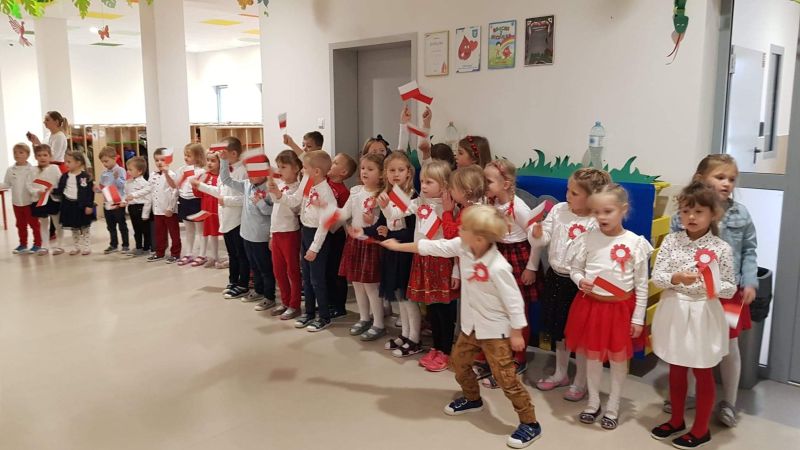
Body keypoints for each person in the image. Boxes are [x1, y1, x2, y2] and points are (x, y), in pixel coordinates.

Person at [381, 205, 543, 449]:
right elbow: (432, 247)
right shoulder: (463, 246)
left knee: (506, 378)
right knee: (458, 363)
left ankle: (530, 422)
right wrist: (397, 246)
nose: (459, 229)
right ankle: (472, 398)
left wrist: (517, 331)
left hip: (494, 331)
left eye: (465, 227)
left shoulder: (499, 267)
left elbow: (514, 301)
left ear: (480, 238)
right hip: (470, 326)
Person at [663, 154, 759, 429]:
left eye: (732, 179)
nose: (727, 183)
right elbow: (673, 250)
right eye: (720, 177)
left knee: (729, 346)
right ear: (700, 179)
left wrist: (749, 282)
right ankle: (689, 395)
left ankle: (729, 402)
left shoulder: (741, 214)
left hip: (729, 294)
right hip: (691, 295)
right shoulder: (681, 216)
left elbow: (750, 250)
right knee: (690, 343)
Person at [650, 181, 736, 450]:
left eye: (698, 211)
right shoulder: (671, 241)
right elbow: (658, 276)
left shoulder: (721, 248)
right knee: (676, 367)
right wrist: (677, 277)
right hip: (675, 309)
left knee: (702, 369)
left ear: (713, 214)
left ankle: (701, 429)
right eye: (686, 211)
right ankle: (676, 420)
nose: (691, 217)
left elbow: (730, 287)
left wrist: (711, 283)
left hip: (703, 313)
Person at [564, 184, 652, 430]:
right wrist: (580, 280)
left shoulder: (635, 243)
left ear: (623, 210)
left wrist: (638, 318)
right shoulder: (588, 238)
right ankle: (593, 402)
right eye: (596, 212)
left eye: (608, 211)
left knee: (617, 360)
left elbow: (641, 286)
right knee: (592, 358)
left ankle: (613, 405)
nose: (601, 217)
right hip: (591, 307)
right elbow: (575, 268)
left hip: (620, 310)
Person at [531, 168, 611, 401]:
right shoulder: (559, 210)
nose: (568, 195)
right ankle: (561, 373)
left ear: (592, 197)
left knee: (580, 335)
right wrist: (537, 233)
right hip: (555, 278)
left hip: (580, 285)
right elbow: (544, 236)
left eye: (574, 193)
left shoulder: (597, 221)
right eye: (568, 190)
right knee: (559, 332)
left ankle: (580, 381)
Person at [385, 160, 454, 358]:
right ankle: (435, 347)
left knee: (443, 307)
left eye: (429, 182)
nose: (423, 186)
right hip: (422, 258)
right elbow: (396, 213)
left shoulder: (449, 206)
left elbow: (451, 235)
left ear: (444, 184)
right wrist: (385, 206)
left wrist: (447, 212)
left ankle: (445, 349)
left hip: (441, 261)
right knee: (431, 305)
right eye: (422, 181)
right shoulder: (419, 202)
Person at [479, 159, 538, 378]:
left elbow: (537, 239)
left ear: (505, 184)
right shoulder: (491, 202)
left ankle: (519, 357)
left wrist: (531, 267)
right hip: (498, 255)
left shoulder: (519, 207)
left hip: (518, 258)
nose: (484, 185)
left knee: (517, 310)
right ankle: (497, 352)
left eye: (488, 181)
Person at [270, 150, 337, 331]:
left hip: (318, 238)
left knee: (317, 279)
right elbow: (294, 201)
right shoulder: (307, 183)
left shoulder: (327, 194)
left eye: (305, 168)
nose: (302, 171)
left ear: (316, 171)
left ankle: (324, 316)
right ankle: (308, 312)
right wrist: (279, 195)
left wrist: (315, 248)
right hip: (305, 232)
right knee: (306, 277)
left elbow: (324, 225)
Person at [370, 151, 417, 346]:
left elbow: (414, 230)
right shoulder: (387, 195)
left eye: (400, 170)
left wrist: (390, 233)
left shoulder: (413, 197)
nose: (396, 174)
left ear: (408, 172)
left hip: (406, 251)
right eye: (391, 170)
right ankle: (404, 333)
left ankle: (414, 337)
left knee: (407, 297)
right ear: (385, 173)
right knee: (399, 295)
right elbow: (384, 223)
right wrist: (376, 229)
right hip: (392, 251)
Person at [220, 150, 277, 311]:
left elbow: (271, 212)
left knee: (265, 268)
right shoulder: (247, 184)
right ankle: (258, 291)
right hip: (246, 234)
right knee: (254, 266)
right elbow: (226, 180)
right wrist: (224, 161)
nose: (250, 175)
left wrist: (260, 203)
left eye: (254, 173)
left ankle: (269, 297)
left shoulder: (270, 189)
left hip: (260, 236)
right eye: (249, 172)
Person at [336, 154, 385, 339]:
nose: (364, 172)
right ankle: (364, 318)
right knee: (357, 283)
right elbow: (345, 213)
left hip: (371, 243)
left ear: (381, 174)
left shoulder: (382, 195)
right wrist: (325, 208)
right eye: (363, 168)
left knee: (371, 285)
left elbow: (384, 220)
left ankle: (378, 323)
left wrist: (372, 221)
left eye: (370, 169)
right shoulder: (356, 191)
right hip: (355, 242)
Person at [126, 147, 180, 263]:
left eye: (162, 160)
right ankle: (159, 252)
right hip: (157, 210)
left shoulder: (171, 174)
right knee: (159, 233)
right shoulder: (152, 175)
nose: (159, 162)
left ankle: (175, 254)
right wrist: (134, 195)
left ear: (168, 160)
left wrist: (170, 208)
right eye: (157, 160)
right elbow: (148, 189)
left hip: (169, 210)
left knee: (174, 233)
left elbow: (175, 191)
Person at [267, 150, 303, 319]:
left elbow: (295, 208)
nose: (280, 170)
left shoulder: (299, 189)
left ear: (295, 168)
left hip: (290, 233)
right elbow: (275, 206)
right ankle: (285, 301)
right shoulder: (280, 185)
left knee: (292, 271)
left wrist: (279, 194)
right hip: (277, 233)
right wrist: (271, 235)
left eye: (283, 167)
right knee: (278, 271)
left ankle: (295, 305)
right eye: (278, 166)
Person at [326, 153, 357, 318]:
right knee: (325, 270)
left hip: (335, 235)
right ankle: (328, 302)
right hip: (322, 232)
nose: (331, 164)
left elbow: (342, 216)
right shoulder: (325, 181)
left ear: (343, 172)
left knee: (336, 271)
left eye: (335, 162)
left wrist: (330, 226)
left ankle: (339, 305)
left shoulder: (344, 192)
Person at [165, 143, 206, 266]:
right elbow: (175, 186)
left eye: (189, 155)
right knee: (189, 230)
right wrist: (166, 173)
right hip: (184, 201)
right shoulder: (182, 169)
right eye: (185, 155)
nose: (186, 158)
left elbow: (202, 188)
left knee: (200, 230)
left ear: (198, 156)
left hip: (196, 201)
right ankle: (189, 253)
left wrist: (194, 181)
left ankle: (202, 254)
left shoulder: (202, 171)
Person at [54, 151, 96, 255]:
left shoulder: (85, 177)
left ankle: (87, 247)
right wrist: (51, 190)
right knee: (74, 228)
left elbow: (90, 193)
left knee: (85, 227)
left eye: (69, 162)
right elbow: (60, 190)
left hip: (81, 206)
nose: (66, 164)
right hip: (69, 205)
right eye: (65, 161)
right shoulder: (64, 176)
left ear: (78, 163)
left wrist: (89, 205)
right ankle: (76, 247)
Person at [1, 143, 39, 254]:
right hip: (16, 203)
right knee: (20, 225)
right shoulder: (10, 170)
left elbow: (35, 185)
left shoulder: (32, 170)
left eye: (21, 152)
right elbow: (7, 184)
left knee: (34, 224)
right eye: (15, 153)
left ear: (27, 155)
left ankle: (37, 244)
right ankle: (23, 245)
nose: (17, 154)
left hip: (30, 202)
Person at [189, 150, 223, 268]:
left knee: (224, 233)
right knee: (212, 233)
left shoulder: (222, 177)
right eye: (208, 160)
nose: (209, 163)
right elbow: (198, 194)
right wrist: (195, 185)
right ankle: (214, 257)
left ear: (220, 162)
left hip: (219, 209)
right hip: (207, 209)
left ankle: (229, 258)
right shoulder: (204, 176)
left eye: (213, 161)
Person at [29, 144, 63, 255]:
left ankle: (60, 245)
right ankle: (45, 246)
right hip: (39, 200)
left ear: (50, 156)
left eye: (45, 155)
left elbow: (60, 182)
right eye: (39, 155)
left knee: (57, 223)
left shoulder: (55, 168)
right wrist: (36, 192)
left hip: (53, 200)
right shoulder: (32, 170)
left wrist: (55, 190)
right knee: (43, 223)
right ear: (35, 157)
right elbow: (29, 185)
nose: (42, 157)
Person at [96, 146, 130, 254]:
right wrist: (97, 189)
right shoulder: (104, 173)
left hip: (118, 201)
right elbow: (102, 186)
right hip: (107, 202)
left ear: (114, 158)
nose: (104, 164)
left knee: (121, 224)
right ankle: (113, 244)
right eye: (102, 162)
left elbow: (123, 185)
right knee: (110, 225)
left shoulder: (120, 170)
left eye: (106, 161)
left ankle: (125, 245)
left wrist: (116, 178)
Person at [122, 156, 151, 256]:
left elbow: (148, 199)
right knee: (136, 230)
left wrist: (145, 214)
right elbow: (126, 194)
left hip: (141, 208)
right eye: (127, 169)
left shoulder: (145, 183)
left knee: (145, 230)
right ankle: (138, 247)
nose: (128, 171)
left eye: (130, 169)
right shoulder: (128, 182)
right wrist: (124, 202)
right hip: (132, 208)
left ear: (139, 171)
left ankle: (146, 248)